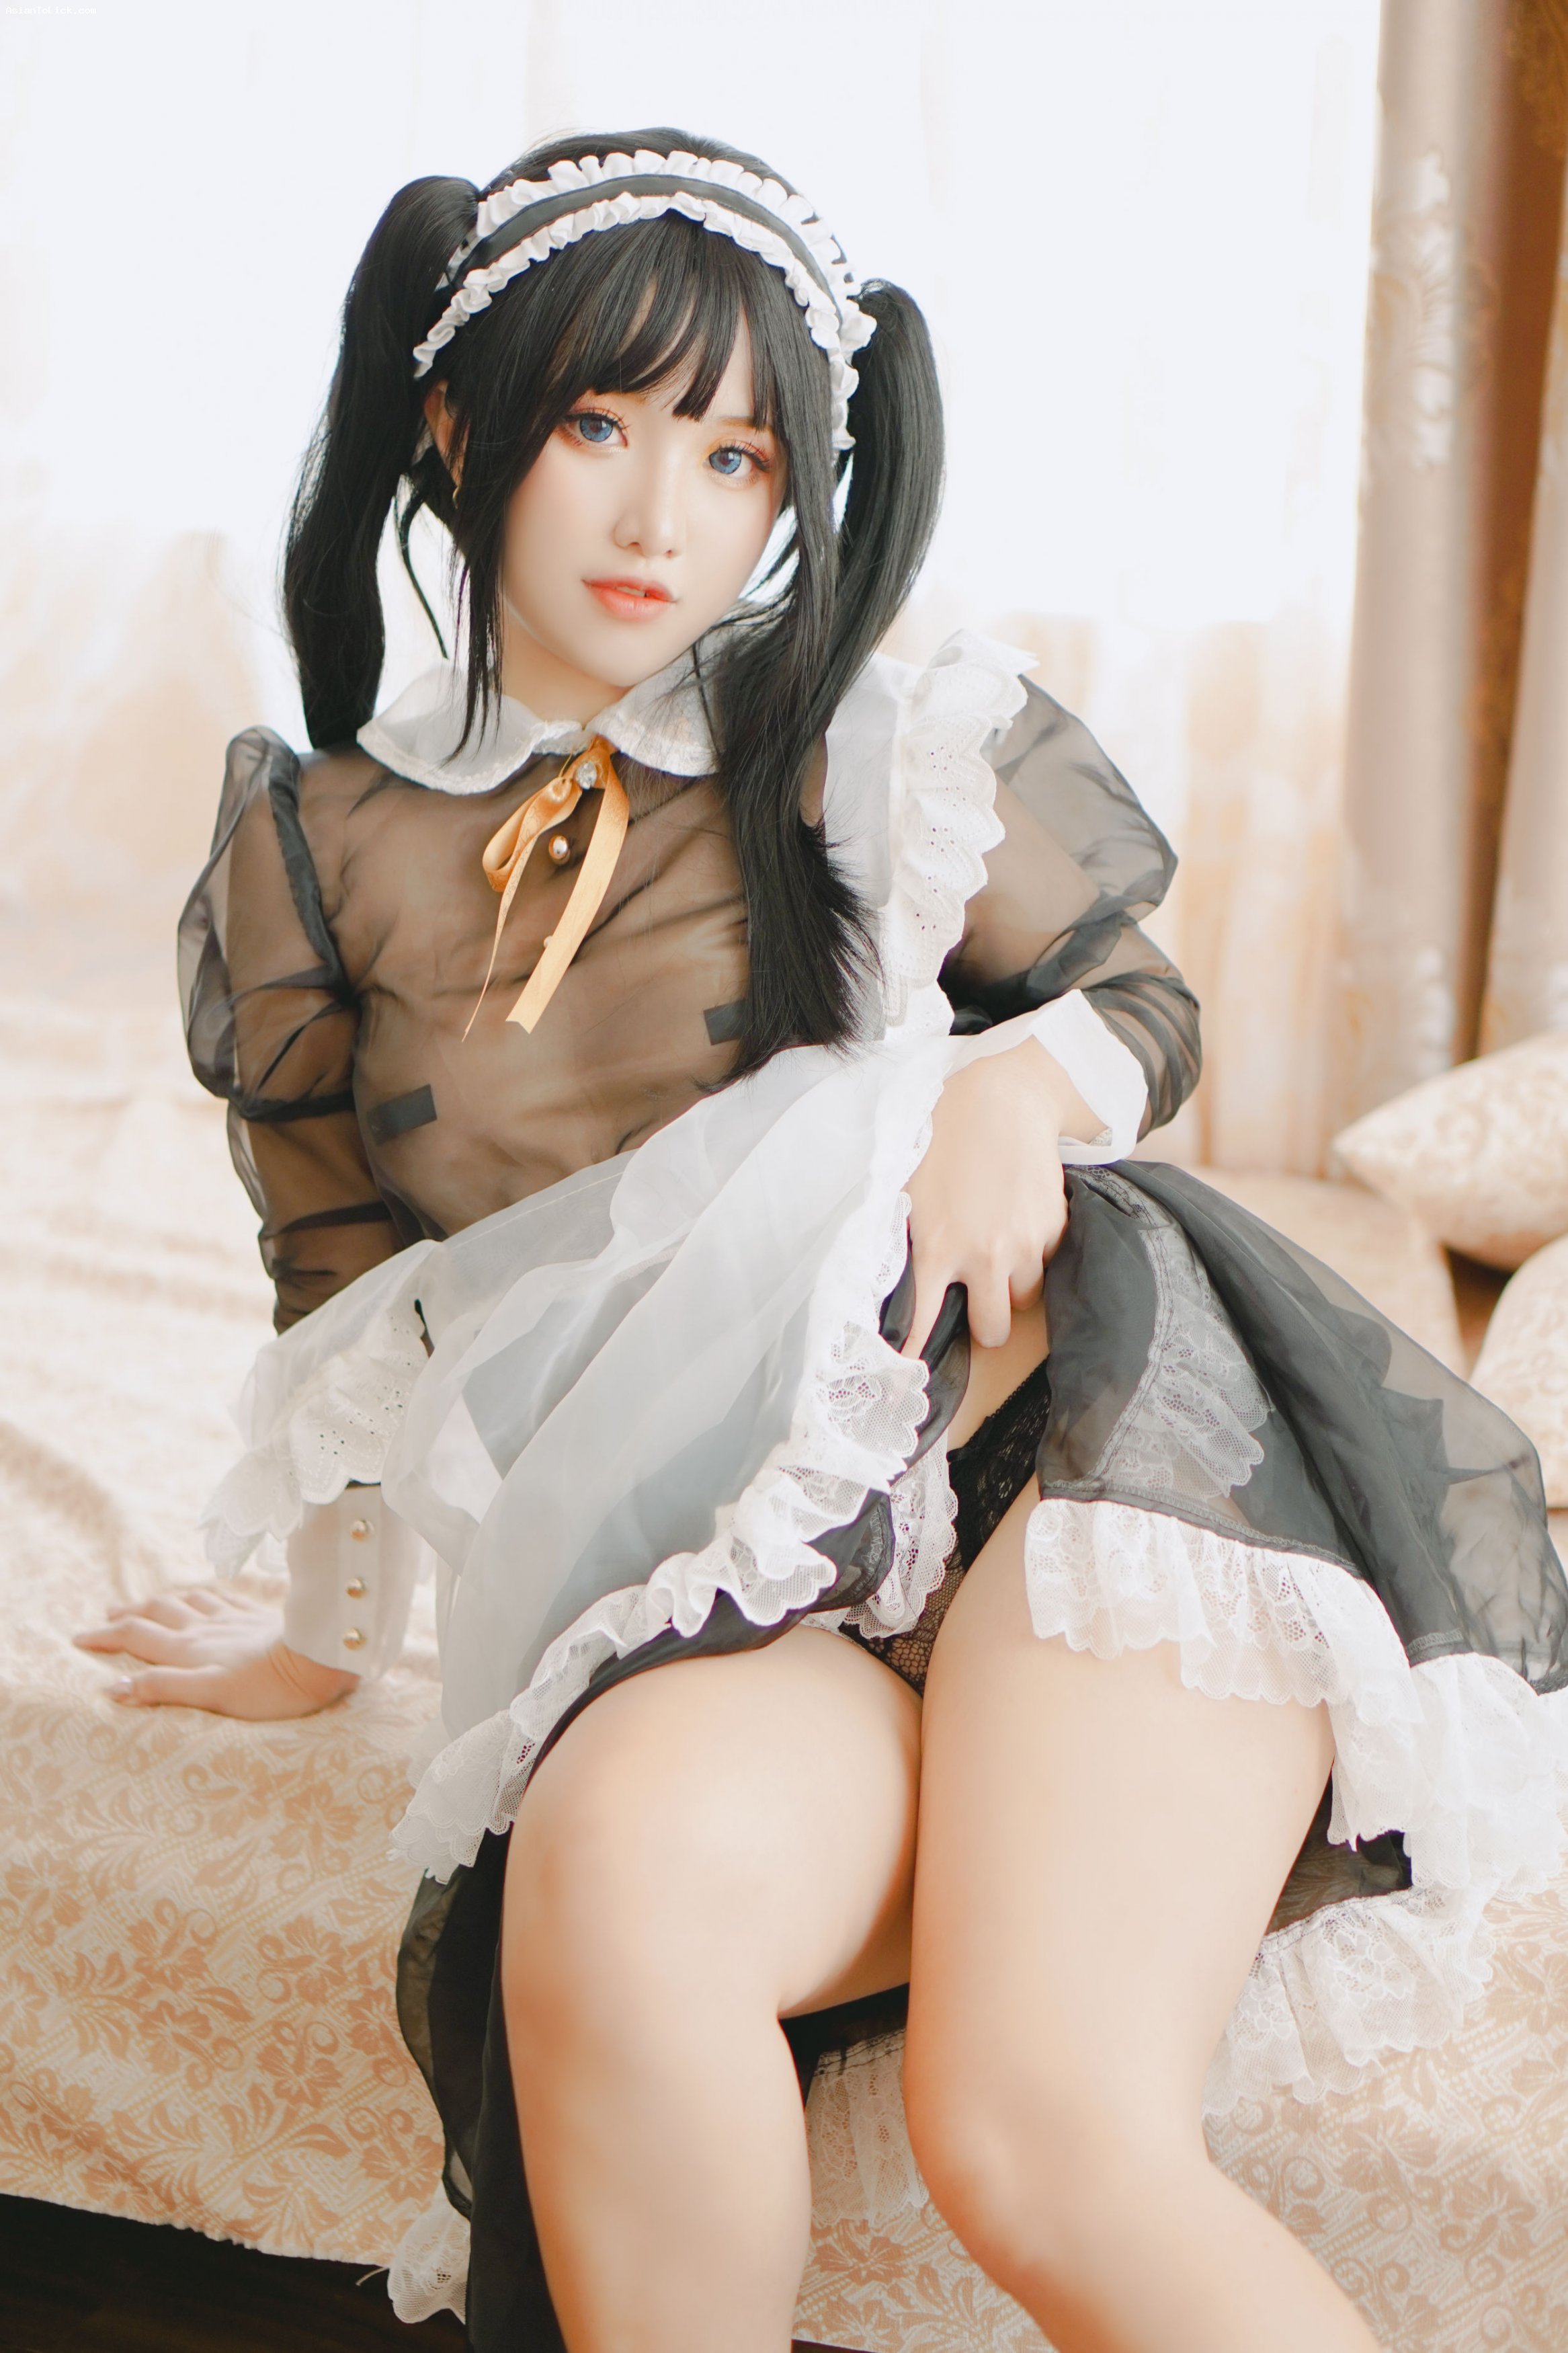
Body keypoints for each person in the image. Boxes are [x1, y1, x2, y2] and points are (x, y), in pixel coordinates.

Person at [75, 129, 1568, 2353]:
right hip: (753, 1595)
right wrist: (322, 1637)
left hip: (1080, 1458)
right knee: (607, 1872)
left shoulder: (861, 739)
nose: (664, 520)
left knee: (1031, 2133)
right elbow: (349, 1298)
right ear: (459, 424)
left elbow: (1139, 999)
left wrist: (1010, 1092)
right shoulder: (315, 853)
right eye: (602, 427)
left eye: (735, 456)